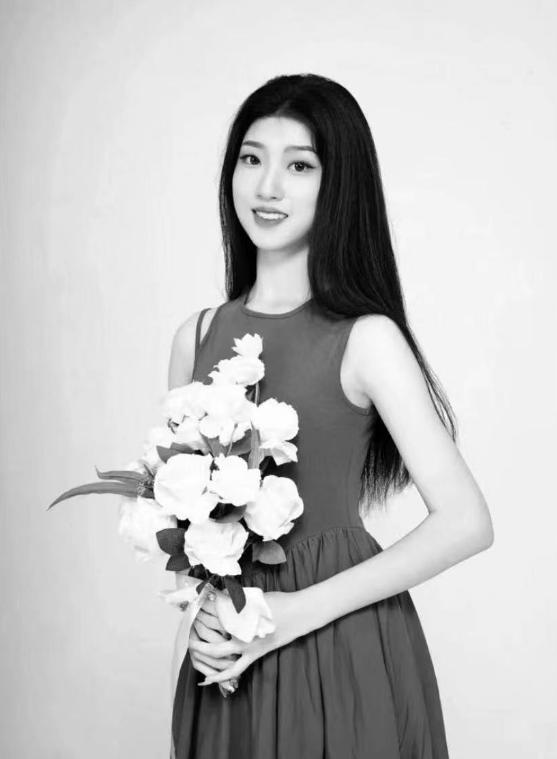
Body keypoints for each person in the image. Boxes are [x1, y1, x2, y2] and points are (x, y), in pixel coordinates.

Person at [167, 73, 494, 758]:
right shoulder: (195, 337)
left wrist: (292, 614)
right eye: (251, 158)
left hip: (340, 646)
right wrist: (199, 616)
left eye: (299, 166)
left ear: (337, 184)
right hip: (229, 659)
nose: (267, 187)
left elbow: (466, 521)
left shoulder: (366, 338)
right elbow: (188, 523)